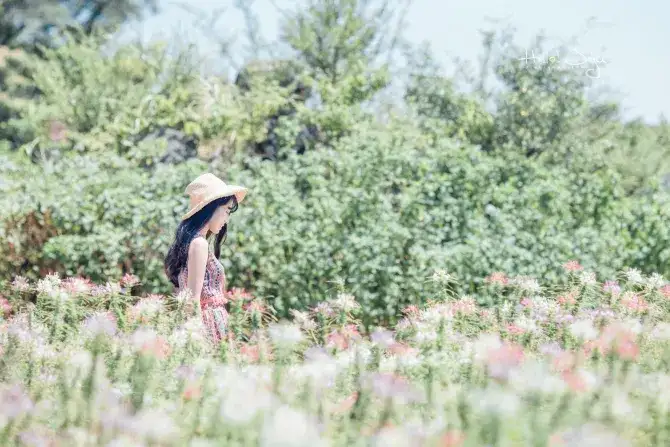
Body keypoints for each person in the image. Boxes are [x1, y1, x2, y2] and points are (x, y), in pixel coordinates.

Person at [164, 173, 248, 343]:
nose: (227, 219)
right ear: (211, 207)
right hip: (208, 325)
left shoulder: (194, 242)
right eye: (226, 210)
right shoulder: (199, 244)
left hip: (209, 323)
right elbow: (192, 300)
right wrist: (195, 339)